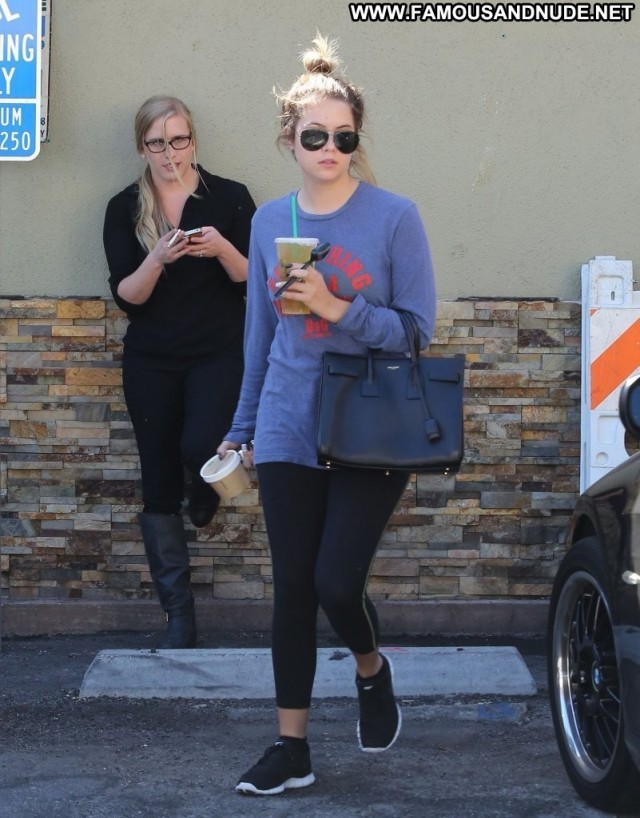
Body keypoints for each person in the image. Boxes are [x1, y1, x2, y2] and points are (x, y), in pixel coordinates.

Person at [217, 35, 437, 795]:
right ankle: (292, 748)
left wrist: (337, 306)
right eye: (316, 137)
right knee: (293, 589)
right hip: (287, 420)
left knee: (336, 584)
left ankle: (371, 669)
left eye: (345, 138)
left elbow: (416, 331)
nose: (331, 151)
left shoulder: (394, 217)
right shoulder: (267, 222)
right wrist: (241, 427)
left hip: (372, 420)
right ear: (290, 139)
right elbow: (260, 335)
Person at [103, 95, 256, 649]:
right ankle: (178, 617)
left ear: (193, 139)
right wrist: (157, 258)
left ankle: (206, 483)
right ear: (141, 148)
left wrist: (221, 249)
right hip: (151, 359)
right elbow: (128, 297)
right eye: (157, 143)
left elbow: (255, 280)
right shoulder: (125, 207)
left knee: (202, 444)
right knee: (158, 481)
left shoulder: (230, 197)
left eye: (179, 140)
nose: (170, 154)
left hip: (218, 352)